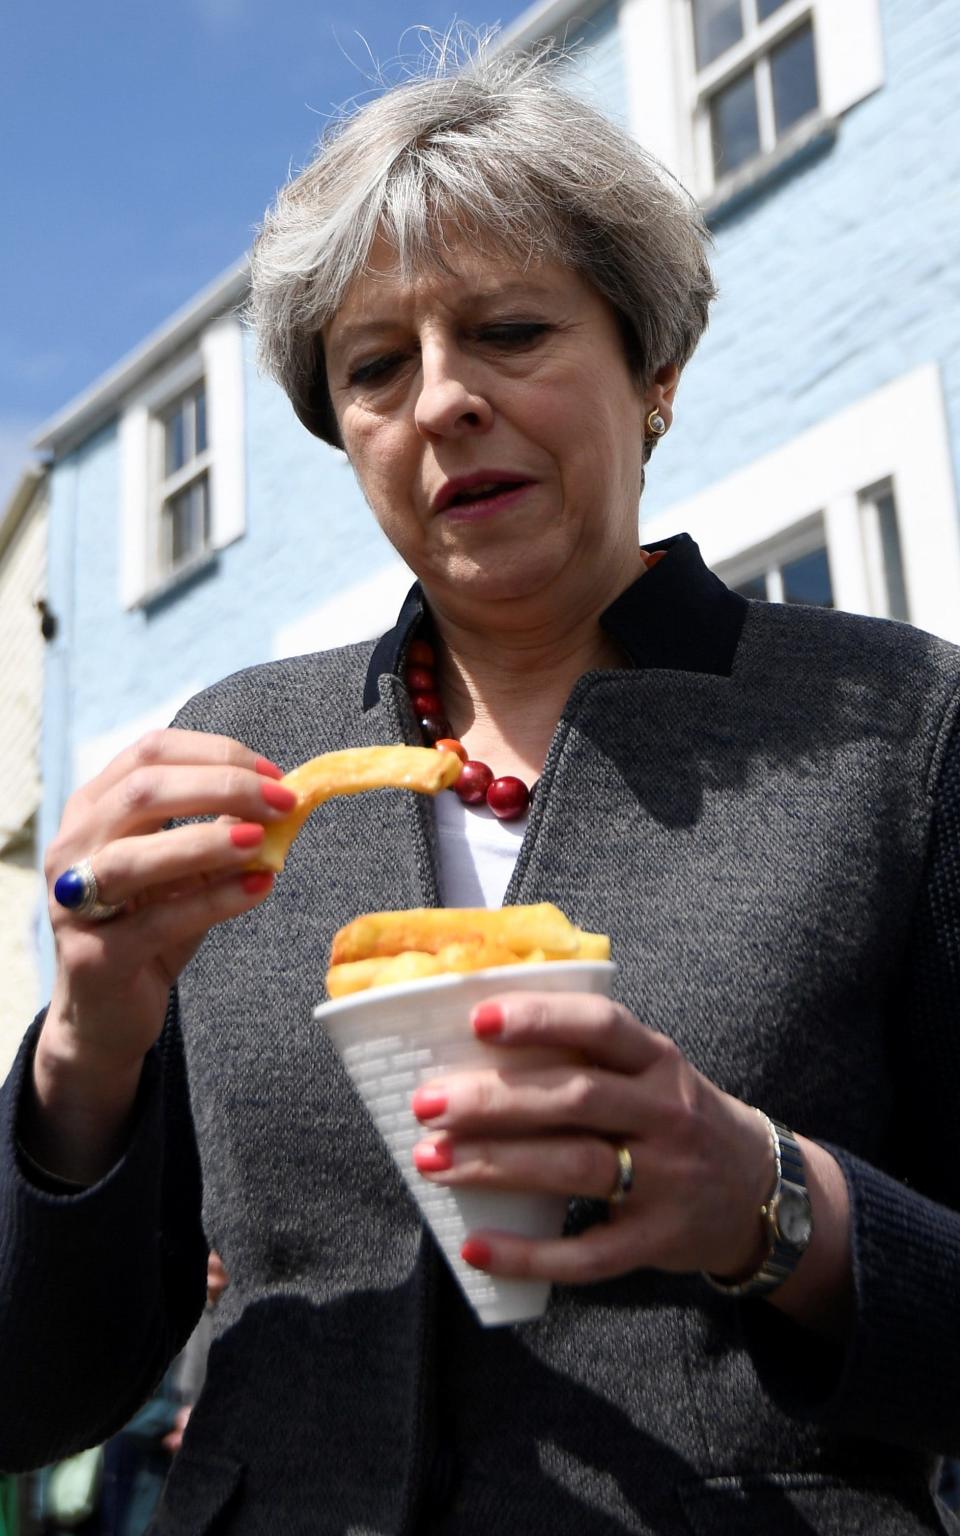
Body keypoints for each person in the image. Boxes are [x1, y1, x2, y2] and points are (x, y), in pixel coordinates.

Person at [2, 36, 959, 1536]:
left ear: (654, 372)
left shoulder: (898, 724)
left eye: (510, 331)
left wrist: (775, 1206)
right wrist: (86, 1050)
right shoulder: (243, 762)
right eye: (376, 367)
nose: (443, 401)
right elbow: (34, 1395)